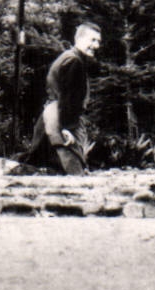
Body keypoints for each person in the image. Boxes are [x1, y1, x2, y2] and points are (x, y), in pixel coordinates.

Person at [21, 22, 102, 175]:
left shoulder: (67, 57)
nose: (96, 45)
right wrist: (67, 127)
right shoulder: (74, 61)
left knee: (36, 162)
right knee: (73, 166)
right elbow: (69, 98)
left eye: (98, 41)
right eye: (92, 40)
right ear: (79, 39)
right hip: (60, 116)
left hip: (51, 113)